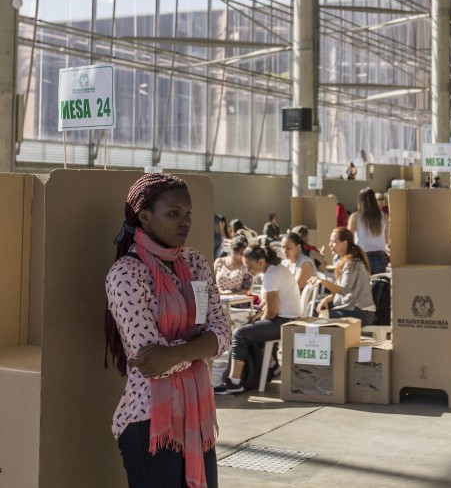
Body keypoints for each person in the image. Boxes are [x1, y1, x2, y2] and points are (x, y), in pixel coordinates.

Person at [105, 173, 231, 488]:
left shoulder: (196, 263)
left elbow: (222, 333)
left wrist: (176, 352)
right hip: (150, 421)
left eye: (187, 214)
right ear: (145, 217)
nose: (184, 222)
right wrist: (200, 346)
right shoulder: (126, 275)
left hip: (197, 418)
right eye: (173, 214)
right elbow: (152, 364)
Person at [214, 242, 301, 395]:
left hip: (285, 322)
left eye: (250, 266)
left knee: (240, 334)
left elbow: (272, 312)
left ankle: (234, 381)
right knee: (249, 327)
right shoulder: (276, 270)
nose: (248, 271)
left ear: (261, 262)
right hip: (289, 320)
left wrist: (258, 321)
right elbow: (272, 306)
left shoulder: (271, 276)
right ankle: (272, 365)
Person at [309, 228, 376, 326]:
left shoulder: (352, 263)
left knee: (320, 315)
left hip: (363, 313)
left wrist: (322, 281)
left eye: (333, 242)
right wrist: (325, 300)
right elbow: (339, 292)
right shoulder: (345, 261)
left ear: (344, 243)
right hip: (352, 309)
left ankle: (315, 339)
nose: (329, 245)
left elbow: (344, 290)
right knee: (313, 306)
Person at [348, 187, 389, 275]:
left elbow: (348, 237)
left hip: (362, 255)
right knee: (378, 285)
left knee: (363, 285)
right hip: (380, 255)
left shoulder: (355, 217)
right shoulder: (384, 216)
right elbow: (387, 239)